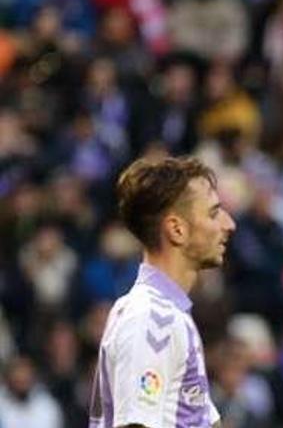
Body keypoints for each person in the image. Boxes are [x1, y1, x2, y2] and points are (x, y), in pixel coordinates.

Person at [88, 156, 237, 428]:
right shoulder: (152, 319)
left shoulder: (168, 315)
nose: (229, 224)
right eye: (213, 213)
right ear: (177, 229)